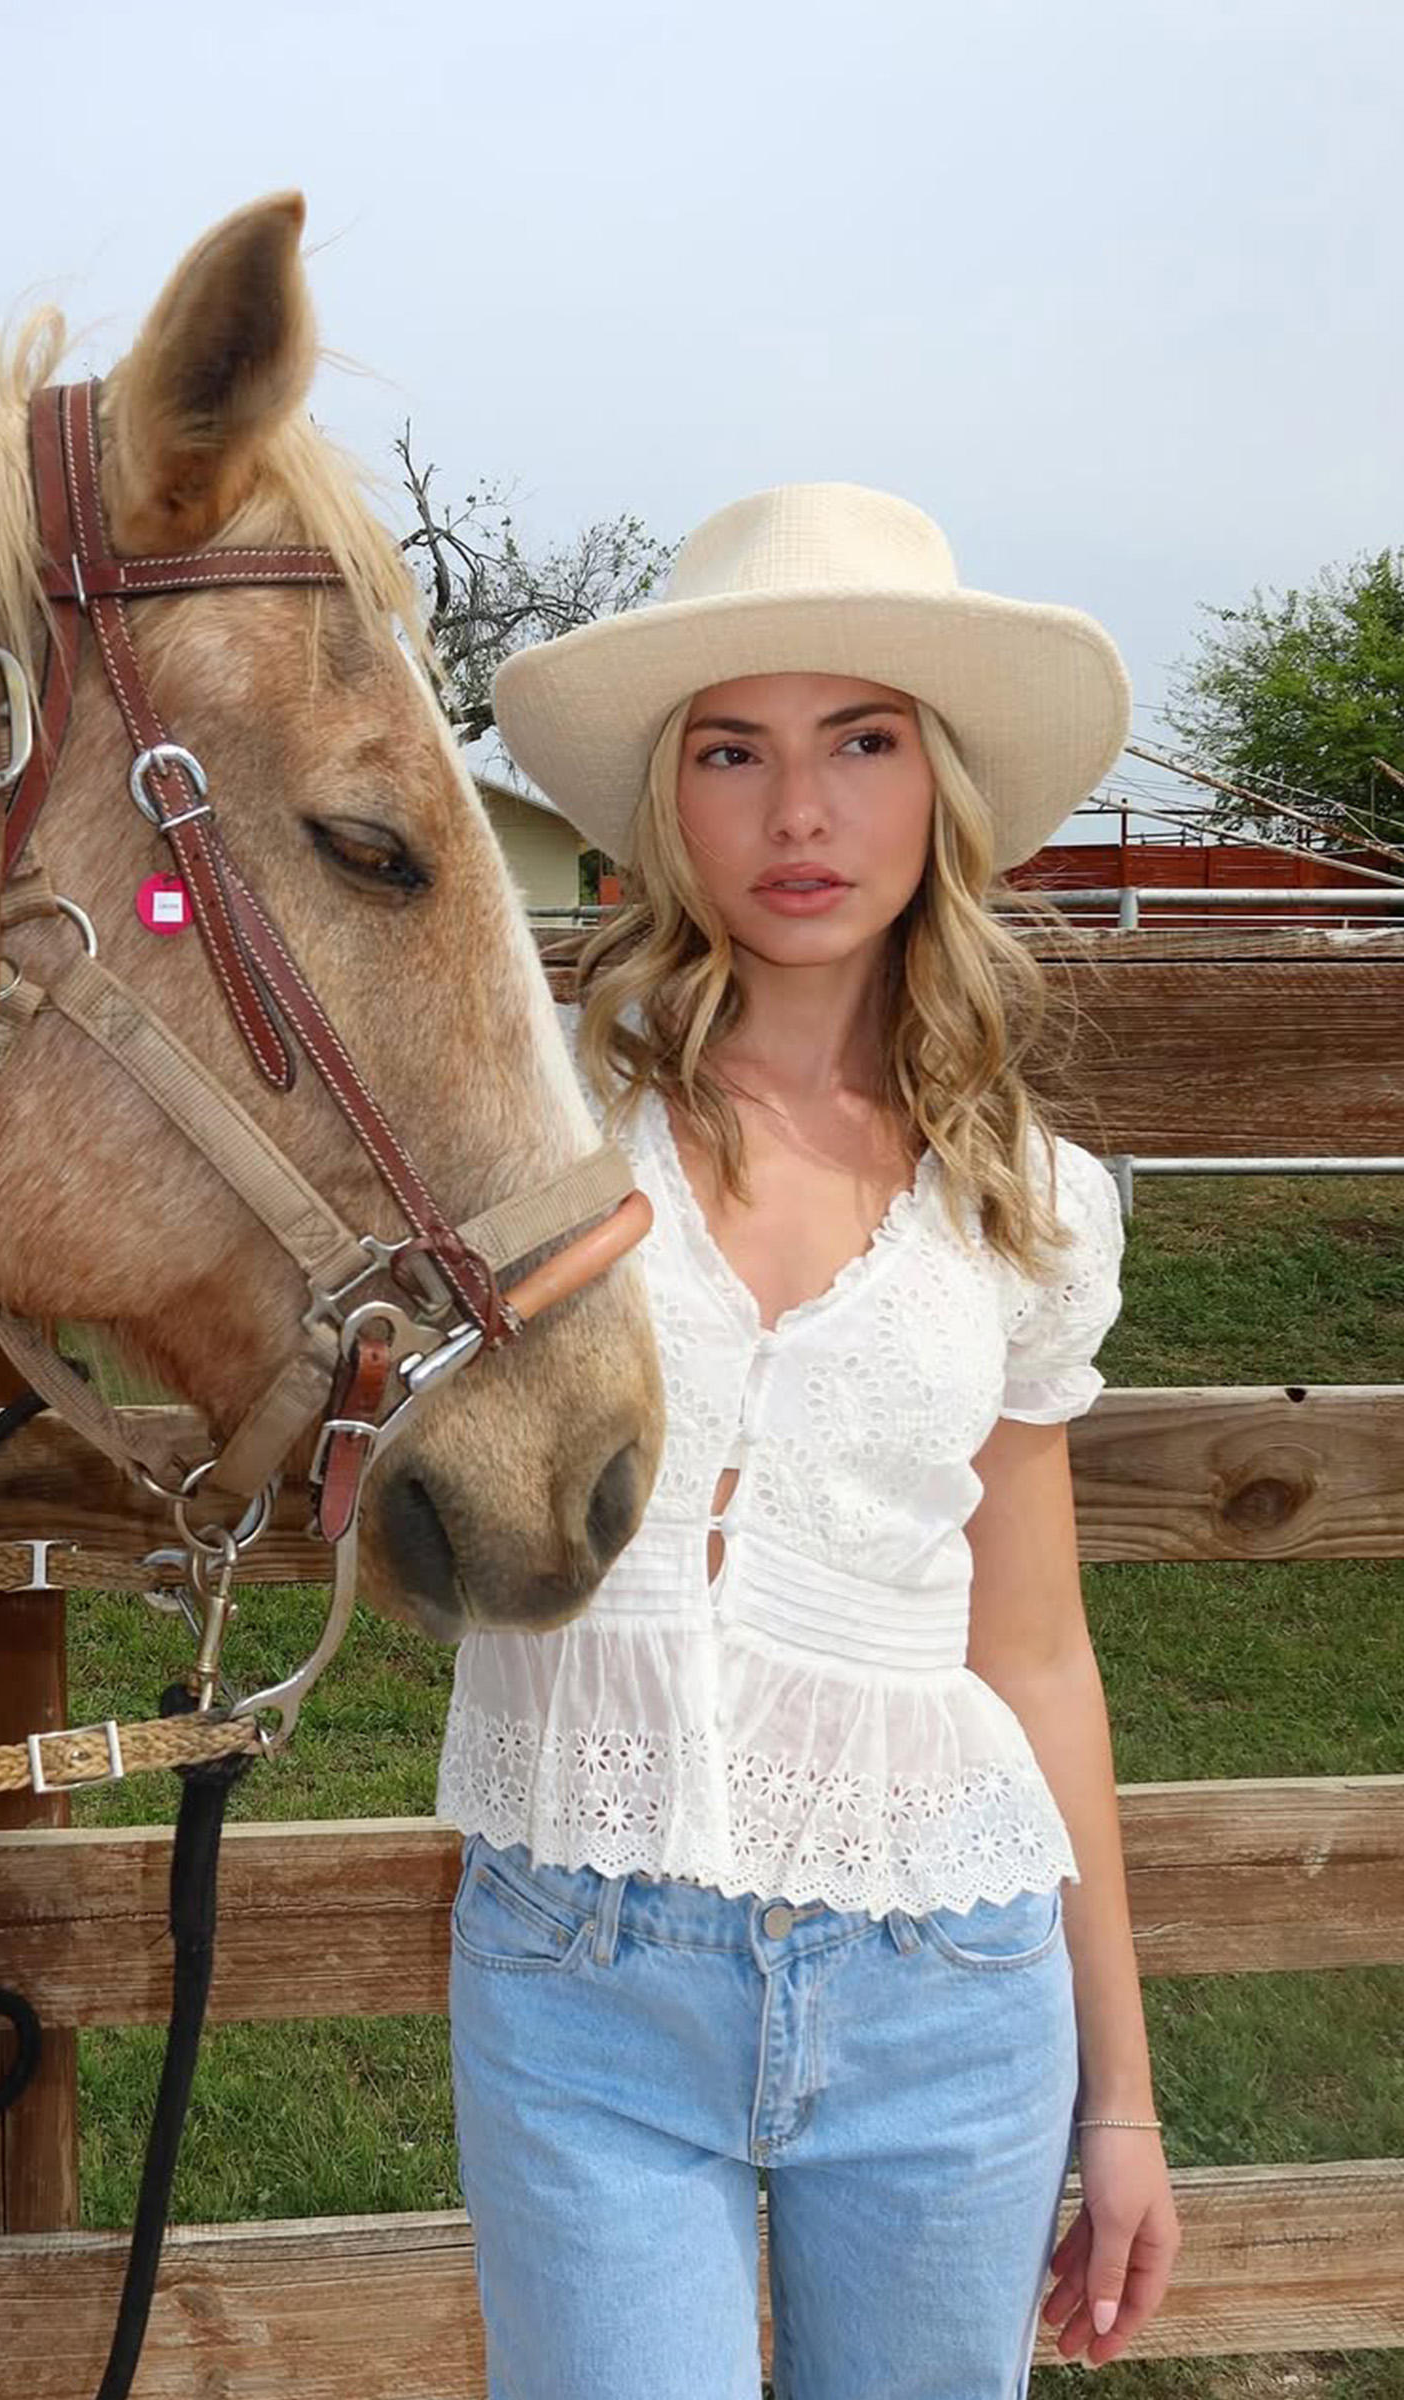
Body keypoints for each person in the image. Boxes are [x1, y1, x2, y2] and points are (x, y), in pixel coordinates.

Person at [437, 481, 1184, 2396]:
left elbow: (1033, 1652)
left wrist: (1126, 2105)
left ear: (938, 786)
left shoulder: (1026, 1200)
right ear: (668, 803)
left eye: (862, 742)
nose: (799, 815)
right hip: (583, 1981)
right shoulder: (529, 1131)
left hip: (950, 1989)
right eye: (734, 751)